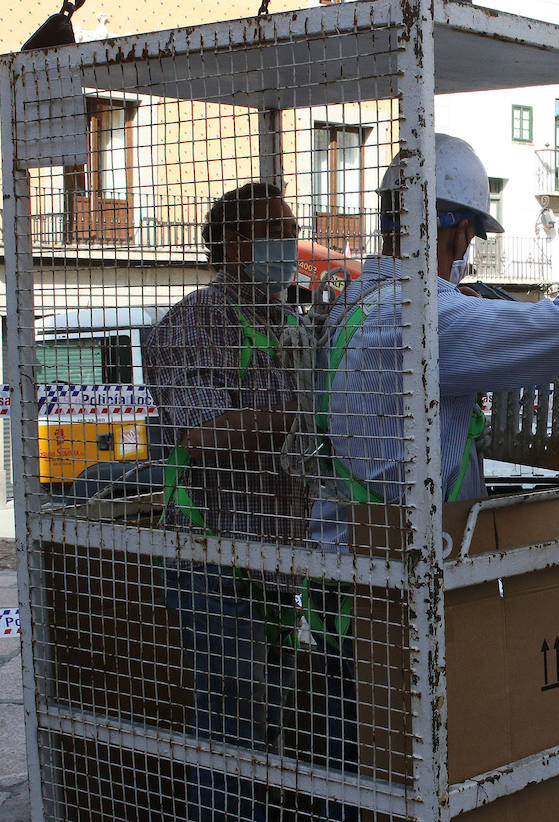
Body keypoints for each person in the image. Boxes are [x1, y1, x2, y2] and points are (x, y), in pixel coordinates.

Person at [144, 183, 356, 822]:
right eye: (274, 230)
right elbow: (203, 433)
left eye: (290, 229)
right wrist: (306, 414)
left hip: (281, 556)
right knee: (232, 719)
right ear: (233, 244)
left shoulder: (289, 323)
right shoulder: (187, 327)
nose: (288, 245)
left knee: (271, 711)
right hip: (212, 556)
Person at [310, 133, 559, 549]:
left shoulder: (354, 302)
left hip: (348, 562)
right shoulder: (426, 316)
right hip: (403, 571)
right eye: (470, 241)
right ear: (460, 234)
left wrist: (455, 305)